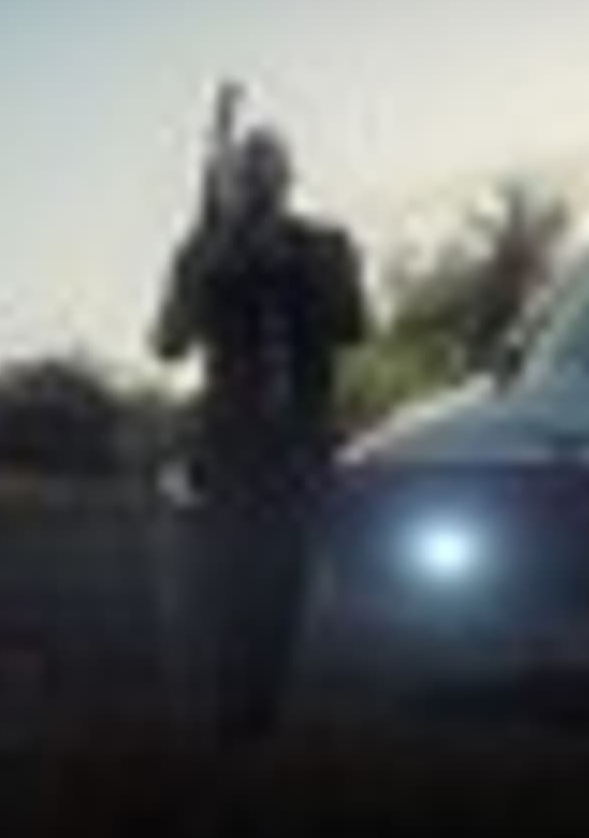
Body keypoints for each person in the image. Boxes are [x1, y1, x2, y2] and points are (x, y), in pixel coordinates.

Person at [152, 124, 368, 744]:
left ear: (289, 179)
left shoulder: (325, 245)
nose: (259, 181)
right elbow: (168, 344)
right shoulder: (206, 250)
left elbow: (354, 326)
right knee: (228, 578)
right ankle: (232, 715)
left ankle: (264, 714)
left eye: (269, 168)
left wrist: (299, 272)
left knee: (287, 579)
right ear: (233, 183)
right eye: (248, 171)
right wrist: (204, 266)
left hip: (302, 440)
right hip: (229, 445)